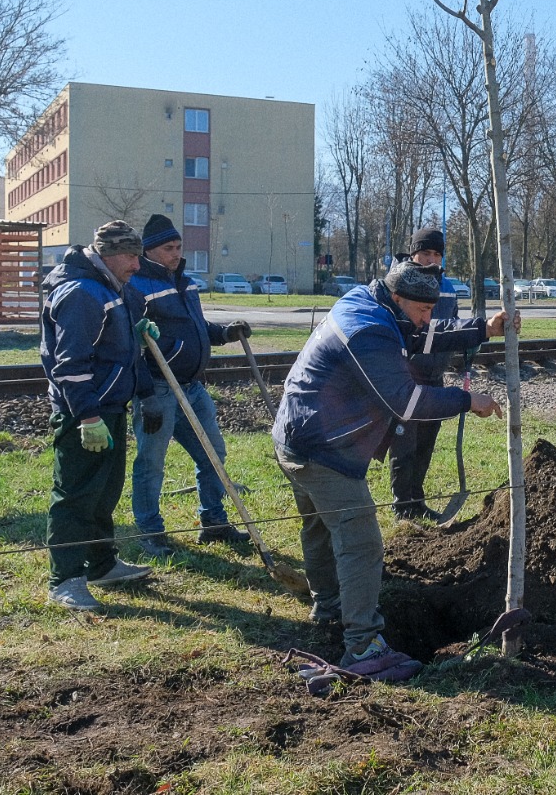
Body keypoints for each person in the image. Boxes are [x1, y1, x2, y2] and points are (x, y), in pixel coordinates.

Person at [273, 259, 503, 678]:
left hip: (297, 433)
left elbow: (422, 334)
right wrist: (469, 400)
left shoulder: (372, 303)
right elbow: (407, 402)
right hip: (323, 448)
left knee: (320, 527)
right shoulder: (371, 331)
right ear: (398, 299)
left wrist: (483, 329)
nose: (427, 318)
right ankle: (362, 647)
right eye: (422, 309)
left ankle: (328, 608)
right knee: (362, 542)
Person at [40, 220, 159, 611]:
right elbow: (70, 364)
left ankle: (101, 565)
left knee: (103, 493)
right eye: (130, 256)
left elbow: (115, 353)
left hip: (108, 408)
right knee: (76, 495)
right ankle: (65, 580)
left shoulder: (111, 288)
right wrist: (88, 417)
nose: (137, 265)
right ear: (107, 254)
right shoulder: (82, 294)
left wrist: (133, 331)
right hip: (83, 413)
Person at [127, 214, 253, 556]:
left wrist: (224, 332)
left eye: (179, 246)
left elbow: (195, 326)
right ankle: (149, 531)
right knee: (151, 463)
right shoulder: (137, 287)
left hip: (193, 388)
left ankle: (213, 522)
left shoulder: (186, 281)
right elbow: (132, 348)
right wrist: (146, 396)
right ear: (149, 251)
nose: (176, 253)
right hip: (159, 388)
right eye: (169, 247)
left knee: (214, 454)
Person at [387, 227, 517, 519]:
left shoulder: (445, 286)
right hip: (407, 377)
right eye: (425, 253)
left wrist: (469, 343)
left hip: (435, 373)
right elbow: (419, 332)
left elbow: (448, 327)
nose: (432, 260)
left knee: (426, 442)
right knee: (405, 443)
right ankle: (402, 506)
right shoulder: (400, 285)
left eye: (437, 254)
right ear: (413, 254)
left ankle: (416, 502)